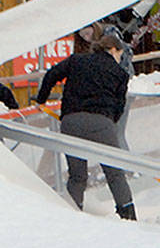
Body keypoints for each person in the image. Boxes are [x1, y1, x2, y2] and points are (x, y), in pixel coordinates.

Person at [34, 34, 135, 219]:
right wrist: (108, 121)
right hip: (102, 123)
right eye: (120, 55)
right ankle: (128, 215)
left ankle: (73, 216)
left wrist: (41, 99)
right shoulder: (120, 73)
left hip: (71, 122)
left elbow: (51, 75)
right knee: (115, 174)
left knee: (77, 176)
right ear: (113, 50)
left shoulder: (76, 60)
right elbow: (119, 106)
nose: (119, 59)